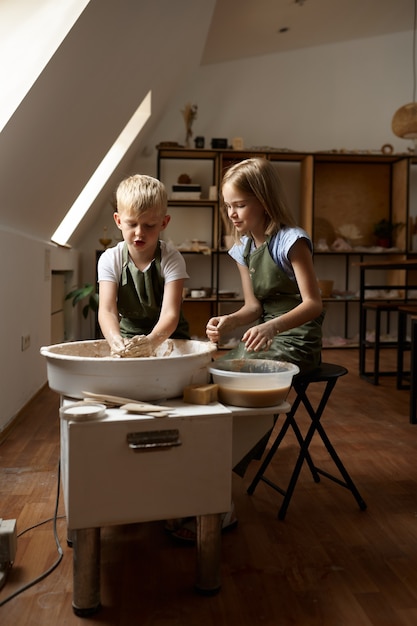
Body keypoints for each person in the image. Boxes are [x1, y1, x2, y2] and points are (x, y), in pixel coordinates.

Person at [206, 157, 324, 373]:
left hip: (298, 341)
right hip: (264, 337)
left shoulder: (291, 242)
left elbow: (314, 304)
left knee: (242, 373)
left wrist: (272, 326)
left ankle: (266, 408)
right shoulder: (242, 249)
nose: (232, 213)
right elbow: (254, 307)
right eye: (228, 206)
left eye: (240, 205)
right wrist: (229, 321)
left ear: (264, 201)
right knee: (210, 371)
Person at [97, 174, 190, 357]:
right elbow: (107, 310)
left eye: (149, 225)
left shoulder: (171, 258)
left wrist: (151, 342)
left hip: (171, 335)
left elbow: (170, 313)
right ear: (118, 221)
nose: (139, 233)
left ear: (164, 223)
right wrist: (116, 341)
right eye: (132, 224)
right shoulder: (110, 259)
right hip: (128, 337)